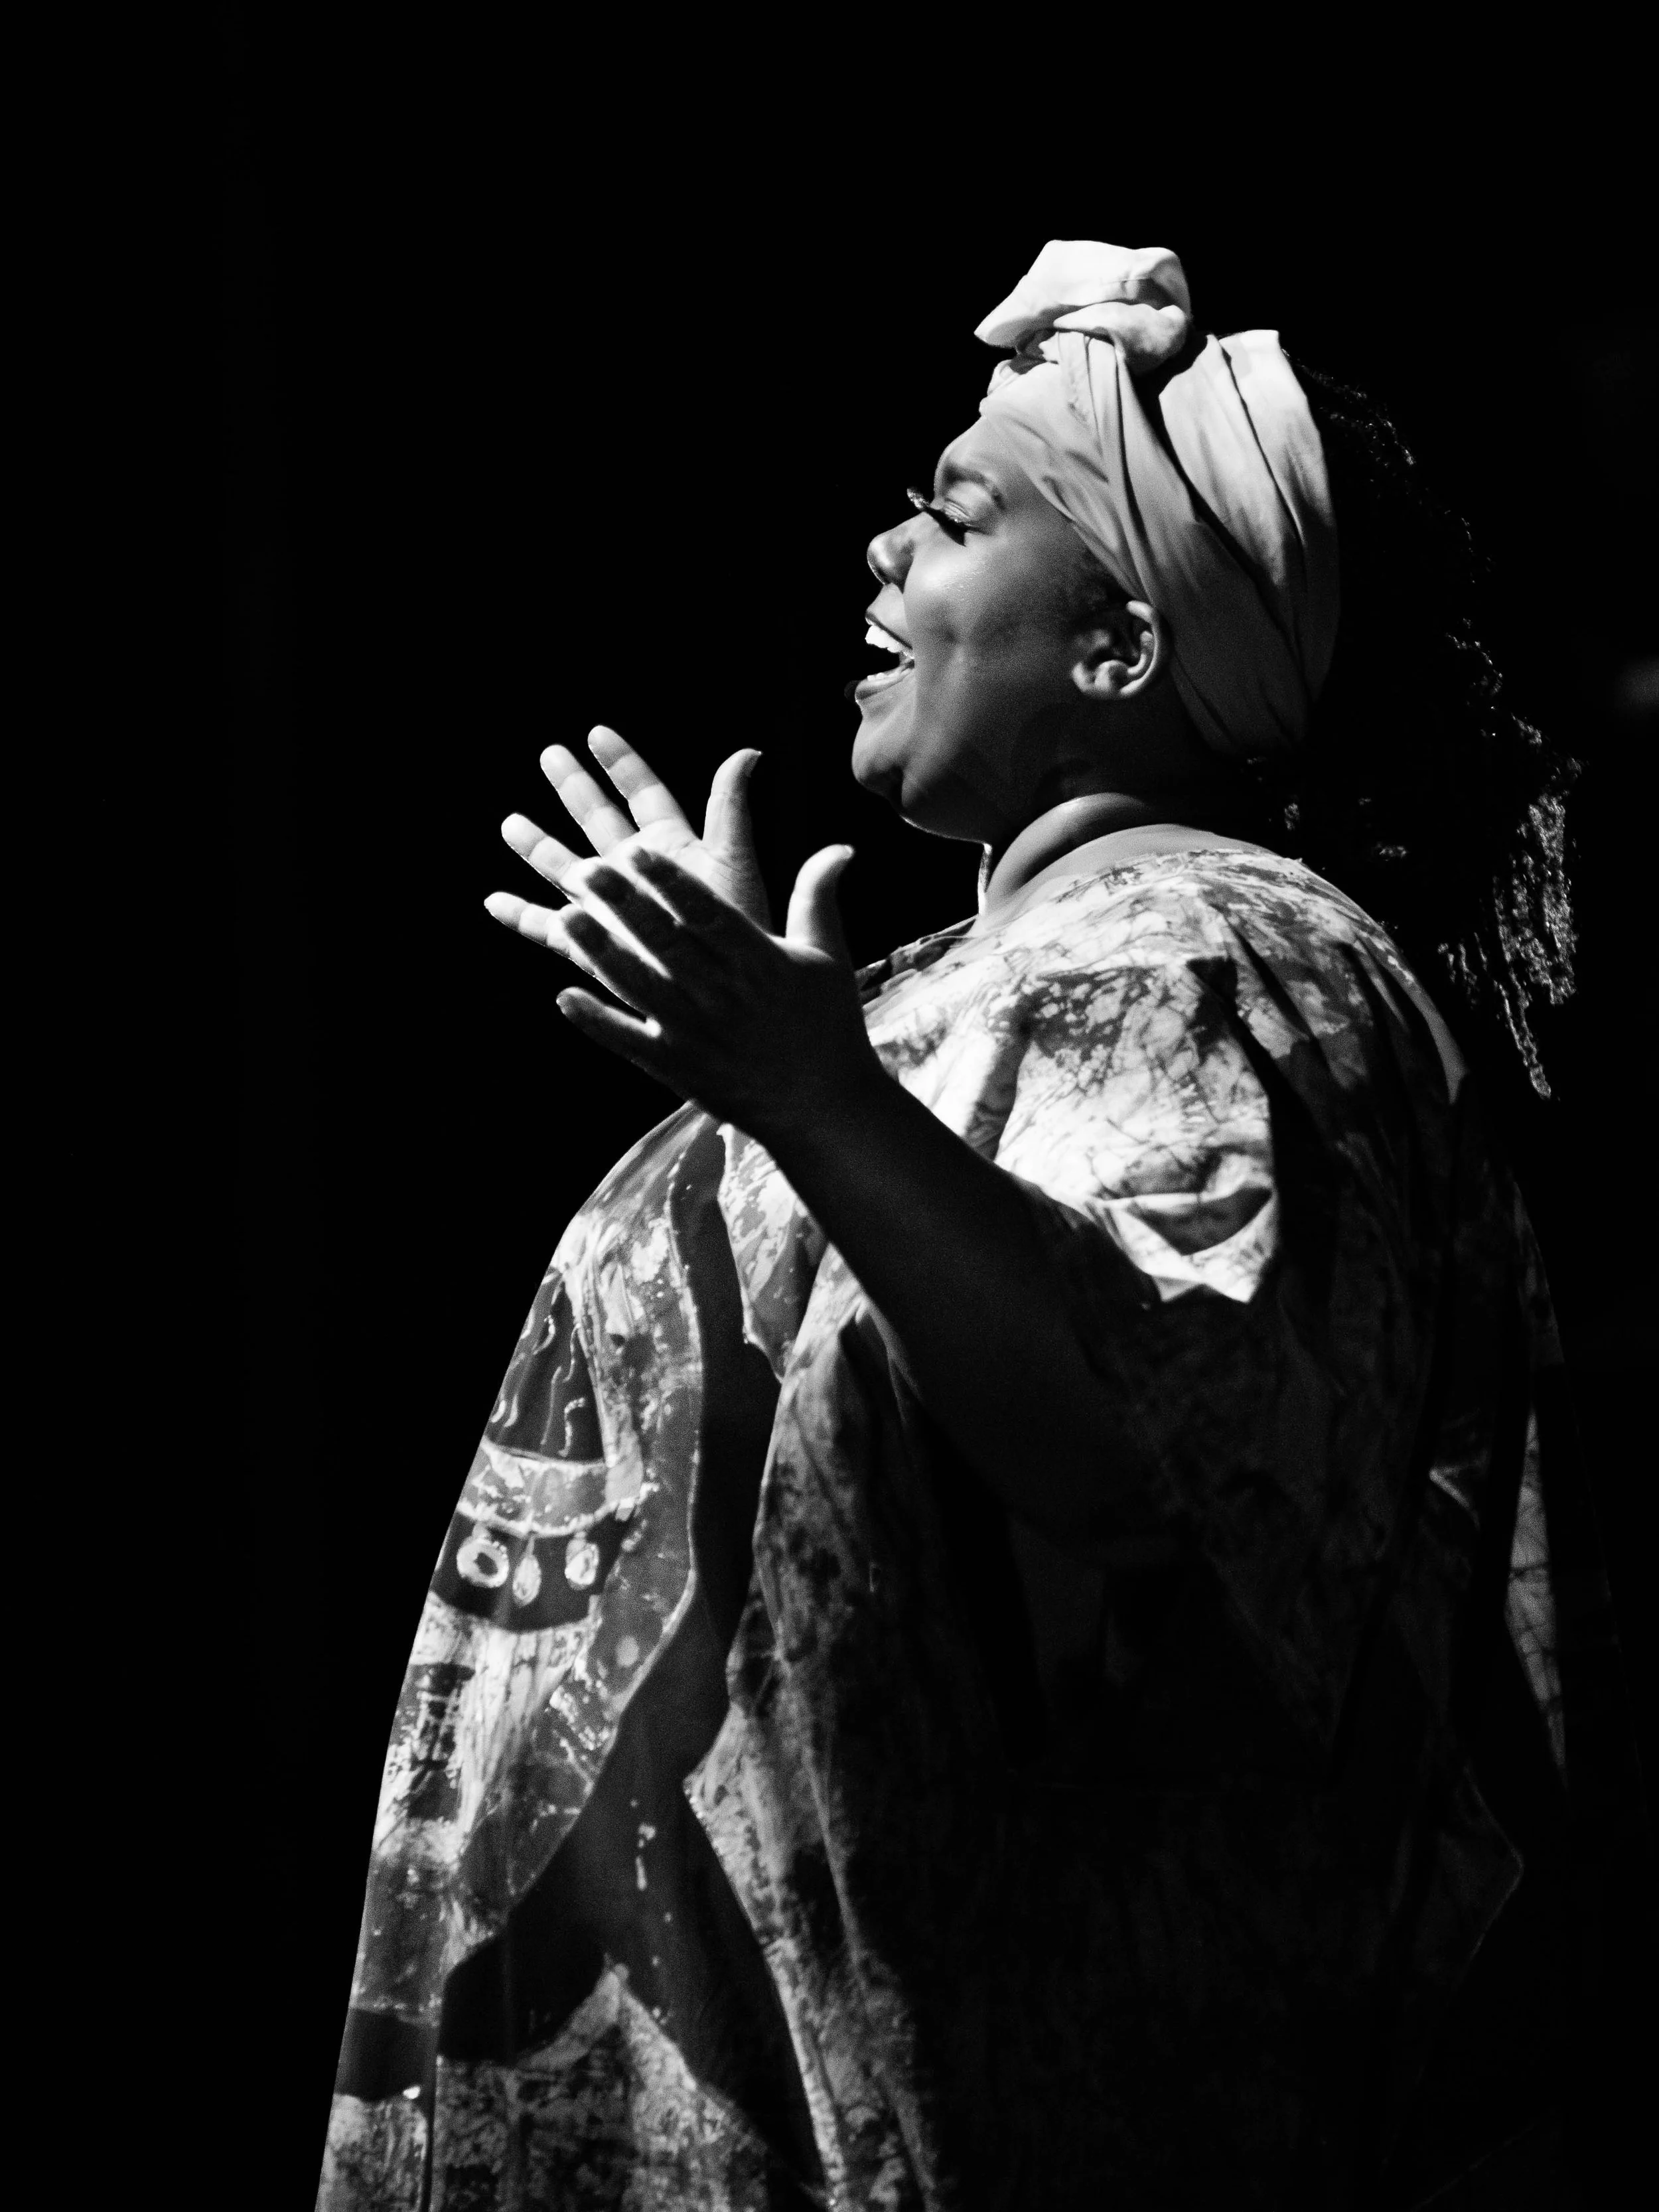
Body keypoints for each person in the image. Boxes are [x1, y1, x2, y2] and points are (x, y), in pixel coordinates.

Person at [317, 242, 1639, 2210]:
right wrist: (786, 1088)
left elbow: (1147, 1438)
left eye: (951, 511)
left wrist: (812, 1089)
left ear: (1118, 646)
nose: (878, 548)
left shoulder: (1209, 945)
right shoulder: (992, 978)